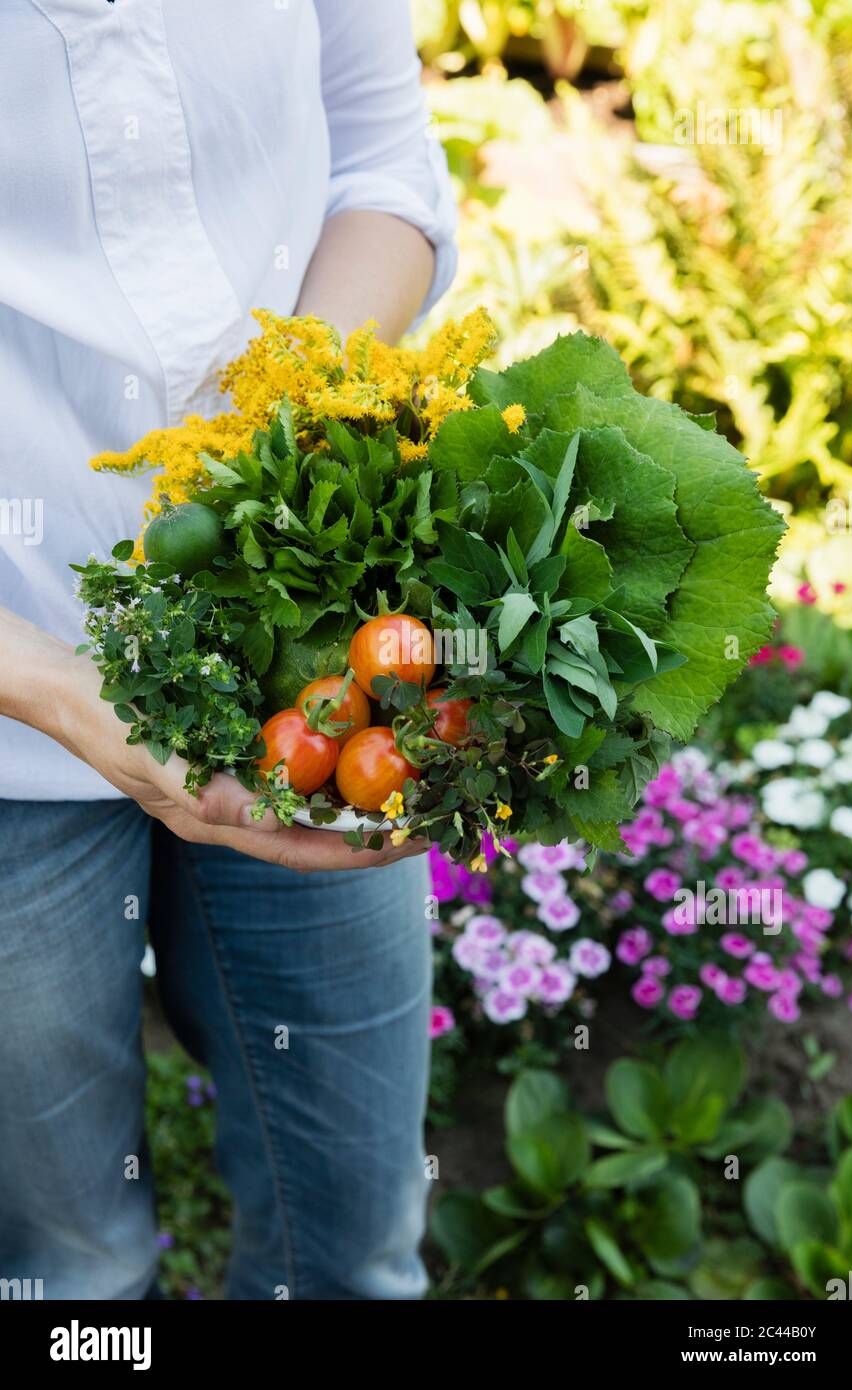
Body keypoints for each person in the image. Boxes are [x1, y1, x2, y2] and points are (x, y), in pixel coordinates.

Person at [0, 0, 457, 1300]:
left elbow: (379, 160)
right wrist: (55, 690)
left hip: (295, 655)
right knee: (64, 1272)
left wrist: (285, 414)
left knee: (356, 1241)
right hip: (6, 729)